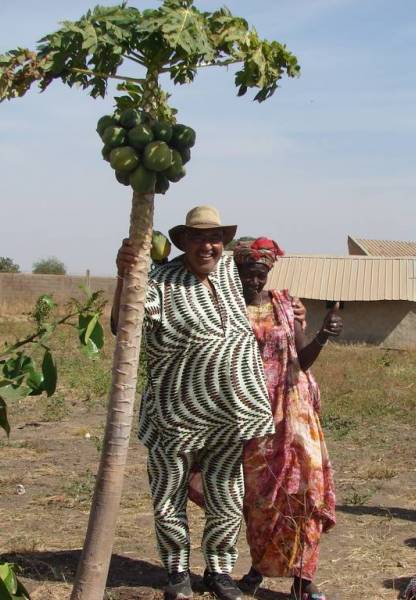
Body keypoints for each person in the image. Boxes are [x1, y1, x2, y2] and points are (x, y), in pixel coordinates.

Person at [114, 205, 275, 600]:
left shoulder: (229, 272)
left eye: (215, 238)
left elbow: (263, 278)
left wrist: (292, 307)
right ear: (183, 241)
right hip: (176, 413)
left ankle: (219, 572)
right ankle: (176, 573)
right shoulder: (159, 281)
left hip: (230, 413)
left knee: (228, 495)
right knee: (169, 496)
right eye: (199, 238)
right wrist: (125, 276)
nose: (208, 246)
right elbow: (122, 325)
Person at [231, 237, 340, 600]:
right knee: (260, 498)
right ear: (236, 270)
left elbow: (302, 360)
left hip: (295, 410)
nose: (254, 280)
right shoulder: (226, 306)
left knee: (304, 491)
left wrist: (323, 334)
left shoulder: (285, 304)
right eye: (248, 272)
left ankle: (304, 579)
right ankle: (258, 568)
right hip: (251, 415)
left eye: (260, 273)